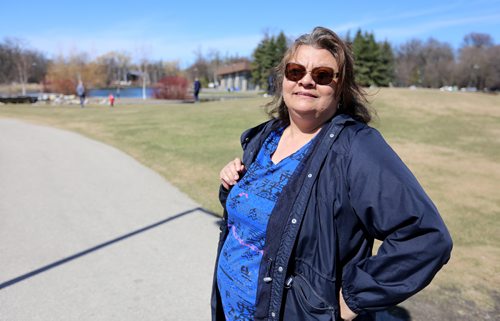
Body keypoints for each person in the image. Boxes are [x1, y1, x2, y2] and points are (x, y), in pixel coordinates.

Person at [212, 27, 452, 321]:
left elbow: (425, 237)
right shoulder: (264, 137)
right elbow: (260, 217)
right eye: (296, 70)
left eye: (323, 74)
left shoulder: (356, 148)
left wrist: (352, 299)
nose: (306, 81)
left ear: (340, 87)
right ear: (283, 78)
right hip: (230, 310)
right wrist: (230, 187)